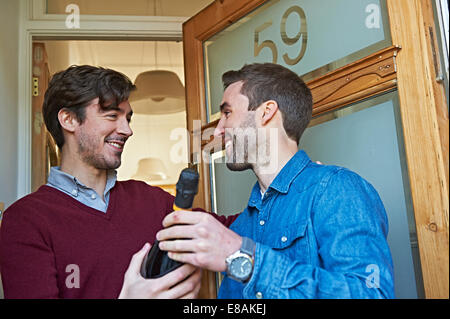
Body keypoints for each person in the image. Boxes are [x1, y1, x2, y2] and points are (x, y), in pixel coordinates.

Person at [156, 63, 395, 299]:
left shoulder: (336, 190)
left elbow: (371, 294)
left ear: (267, 111)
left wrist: (245, 259)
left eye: (227, 113)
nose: (218, 131)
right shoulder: (242, 226)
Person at [0, 65, 202, 299]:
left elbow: (230, 229)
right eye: (112, 115)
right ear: (69, 119)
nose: (127, 130)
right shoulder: (25, 220)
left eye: (128, 118)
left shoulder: (154, 201)